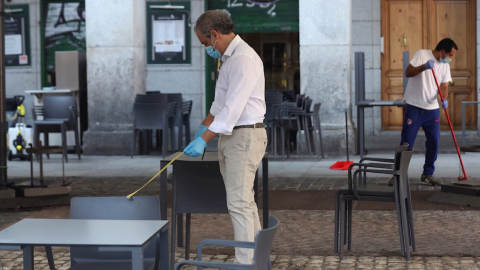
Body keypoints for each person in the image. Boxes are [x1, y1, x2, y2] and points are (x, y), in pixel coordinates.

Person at [183, 10, 267, 264]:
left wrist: (205, 138)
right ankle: (256, 260)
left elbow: (233, 109)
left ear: (215, 35)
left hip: (244, 137)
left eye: (205, 43)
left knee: (239, 205)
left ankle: (246, 264)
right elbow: (218, 106)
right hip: (235, 138)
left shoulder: (242, 58)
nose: (206, 49)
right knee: (245, 203)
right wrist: (200, 129)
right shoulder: (229, 59)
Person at [390, 38, 457, 186]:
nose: (450, 58)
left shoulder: (445, 66)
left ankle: (427, 173)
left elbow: (444, 86)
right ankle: (397, 174)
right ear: (442, 51)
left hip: (432, 109)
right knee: (407, 141)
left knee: (434, 140)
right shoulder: (422, 54)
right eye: (450, 55)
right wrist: (424, 67)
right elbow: (408, 72)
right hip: (414, 106)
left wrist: (444, 99)